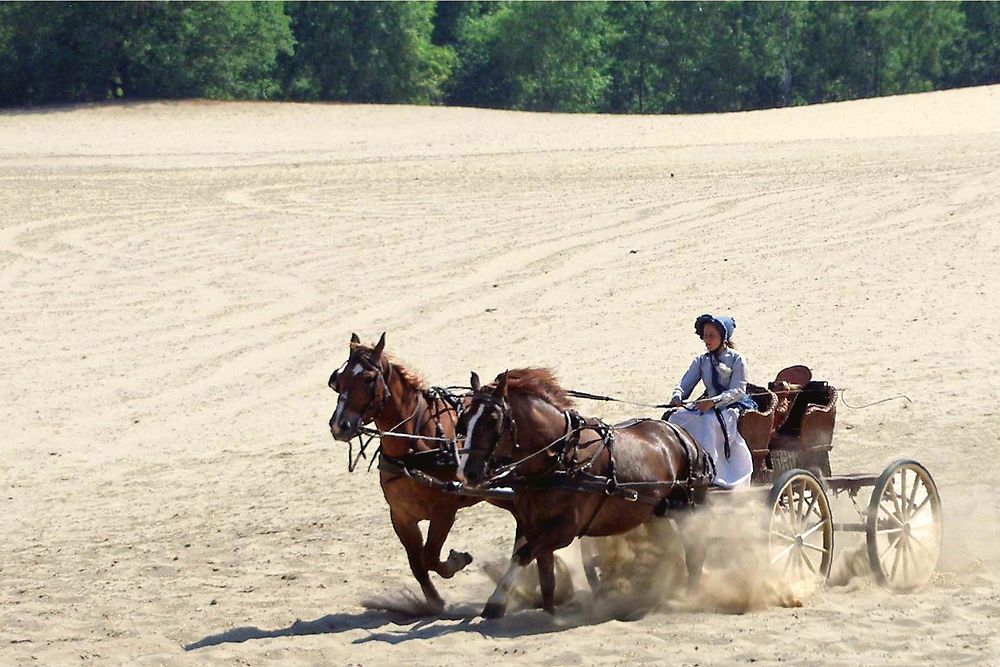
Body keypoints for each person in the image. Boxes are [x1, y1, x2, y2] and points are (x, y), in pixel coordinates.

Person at [667, 314, 756, 488]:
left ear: (723, 337)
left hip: (731, 407)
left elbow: (738, 390)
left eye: (711, 335)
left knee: (707, 423)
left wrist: (714, 402)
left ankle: (711, 471)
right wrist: (678, 396)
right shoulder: (701, 361)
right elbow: (686, 383)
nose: (707, 340)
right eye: (705, 335)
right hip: (708, 406)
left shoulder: (737, 359)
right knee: (675, 418)